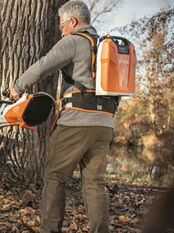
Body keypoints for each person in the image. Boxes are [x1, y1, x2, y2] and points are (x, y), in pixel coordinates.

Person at [9, 1, 114, 233]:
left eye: (62, 25)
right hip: (105, 124)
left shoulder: (74, 41)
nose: (62, 30)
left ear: (73, 22)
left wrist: (17, 88)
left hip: (76, 122)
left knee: (55, 179)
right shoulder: (108, 45)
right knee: (95, 184)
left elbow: (43, 66)